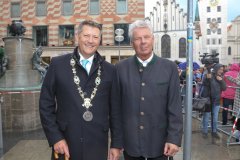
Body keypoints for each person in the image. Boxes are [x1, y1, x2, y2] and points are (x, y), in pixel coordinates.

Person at [39, 20, 122, 160]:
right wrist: (55, 138)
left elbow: (116, 111)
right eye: (86, 35)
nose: (90, 41)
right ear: (78, 36)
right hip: (65, 144)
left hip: (98, 146)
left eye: (95, 37)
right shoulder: (57, 65)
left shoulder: (110, 70)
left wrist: (116, 144)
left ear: (100, 40)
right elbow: (45, 104)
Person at [112, 20, 183, 160]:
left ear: (153, 39)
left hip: (161, 146)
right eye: (137, 38)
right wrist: (116, 143)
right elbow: (116, 110)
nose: (143, 42)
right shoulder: (120, 69)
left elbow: (175, 107)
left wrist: (174, 139)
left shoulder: (169, 68)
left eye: (146, 37)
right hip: (131, 146)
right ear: (132, 42)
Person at [201, 64, 226, 139]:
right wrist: (207, 78)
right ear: (216, 69)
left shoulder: (221, 77)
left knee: (215, 118)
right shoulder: (209, 75)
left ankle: (214, 131)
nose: (221, 71)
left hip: (217, 101)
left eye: (222, 70)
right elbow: (204, 83)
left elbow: (224, 88)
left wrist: (221, 81)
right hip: (208, 100)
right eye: (220, 69)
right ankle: (205, 132)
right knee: (206, 117)